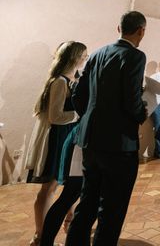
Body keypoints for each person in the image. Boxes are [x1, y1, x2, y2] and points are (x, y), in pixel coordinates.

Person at [66, 12, 148, 245]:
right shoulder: (135, 56)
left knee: (88, 202)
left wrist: (92, 119)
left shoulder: (98, 53)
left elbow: (78, 95)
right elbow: (132, 100)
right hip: (118, 145)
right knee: (112, 210)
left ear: (118, 28)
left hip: (91, 141)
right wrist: (142, 112)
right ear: (141, 31)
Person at [25, 41, 86, 246]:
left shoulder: (74, 78)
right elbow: (55, 116)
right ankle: (41, 236)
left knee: (70, 187)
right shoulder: (59, 81)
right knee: (49, 189)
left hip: (70, 138)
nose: (86, 58)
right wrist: (80, 114)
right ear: (74, 57)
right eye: (84, 55)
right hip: (58, 139)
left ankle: (69, 227)